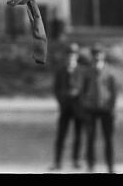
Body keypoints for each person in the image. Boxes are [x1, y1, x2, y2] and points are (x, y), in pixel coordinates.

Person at [50, 42, 89, 171]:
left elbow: (86, 89)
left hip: (79, 108)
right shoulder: (60, 71)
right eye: (69, 54)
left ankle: (76, 160)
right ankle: (57, 161)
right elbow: (56, 89)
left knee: (78, 135)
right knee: (61, 135)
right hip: (65, 107)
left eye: (73, 54)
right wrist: (62, 100)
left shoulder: (82, 71)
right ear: (66, 56)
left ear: (77, 56)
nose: (71, 57)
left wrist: (81, 100)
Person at [80, 44, 118, 173]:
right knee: (90, 138)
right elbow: (83, 90)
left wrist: (112, 107)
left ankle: (110, 166)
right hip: (91, 108)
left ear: (103, 55)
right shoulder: (87, 72)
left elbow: (114, 92)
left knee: (108, 139)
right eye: (95, 54)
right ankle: (91, 165)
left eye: (99, 54)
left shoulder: (109, 71)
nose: (97, 56)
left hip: (105, 109)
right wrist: (84, 104)